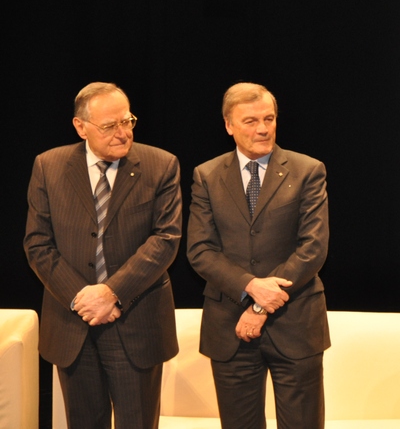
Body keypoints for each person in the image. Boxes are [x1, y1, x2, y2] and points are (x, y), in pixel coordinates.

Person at [24, 82, 182, 429]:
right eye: (110, 126)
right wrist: (82, 298)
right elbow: (38, 243)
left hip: (135, 323)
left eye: (127, 121)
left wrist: (110, 293)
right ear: (80, 127)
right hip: (72, 324)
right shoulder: (48, 166)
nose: (122, 133)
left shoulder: (161, 165)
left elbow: (165, 240)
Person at [187, 82, 330, 429]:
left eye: (269, 118)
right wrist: (251, 286)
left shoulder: (308, 170)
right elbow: (200, 249)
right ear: (228, 125)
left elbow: (312, 248)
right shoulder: (206, 175)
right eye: (250, 121)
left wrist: (260, 305)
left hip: (295, 325)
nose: (263, 128)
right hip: (229, 329)